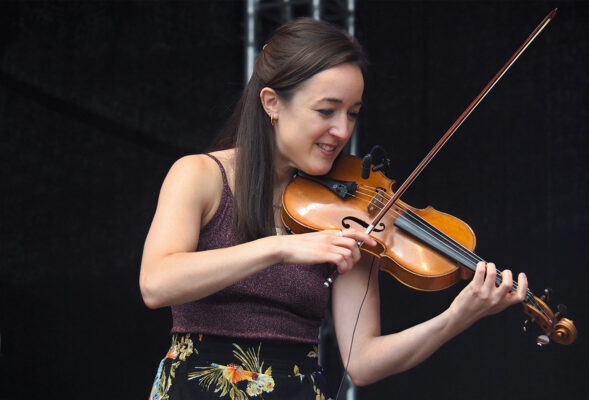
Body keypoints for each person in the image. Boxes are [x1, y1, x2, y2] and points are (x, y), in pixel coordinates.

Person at [140, 18, 528, 400]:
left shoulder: (352, 216)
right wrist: (280, 248)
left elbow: (363, 361)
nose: (343, 131)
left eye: (352, 112)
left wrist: (455, 318)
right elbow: (156, 283)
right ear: (272, 103)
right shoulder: (200, 175)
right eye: (327, 111)